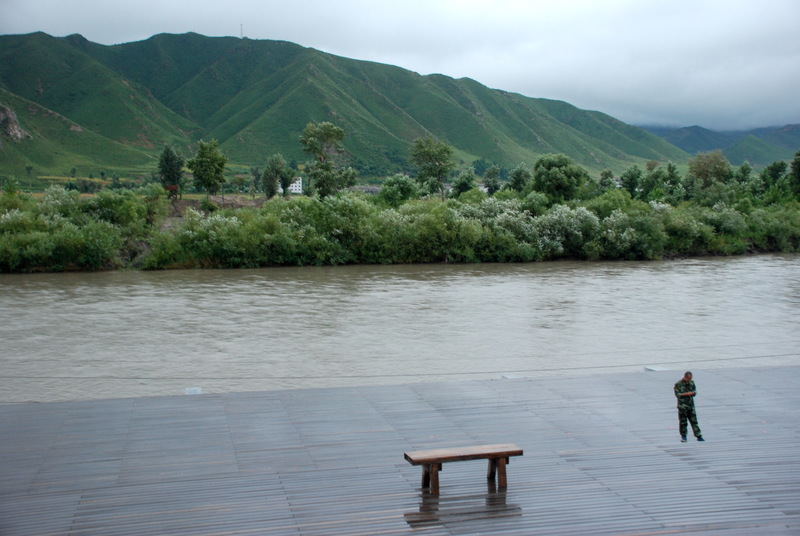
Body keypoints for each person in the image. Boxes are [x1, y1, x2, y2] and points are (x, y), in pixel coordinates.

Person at [674, 371, 704, 442]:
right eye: (688, 379)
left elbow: (694, 391)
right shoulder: (678, 384)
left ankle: (698, 436)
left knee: (694, 421)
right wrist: (687, 394)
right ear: (685, 377)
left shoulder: (692, 383)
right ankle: (683, 436)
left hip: (691, 405)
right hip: (682, 406)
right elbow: (677, 394)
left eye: (690, 378)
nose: (689, 380)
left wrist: (693, 393)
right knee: (683, 422)